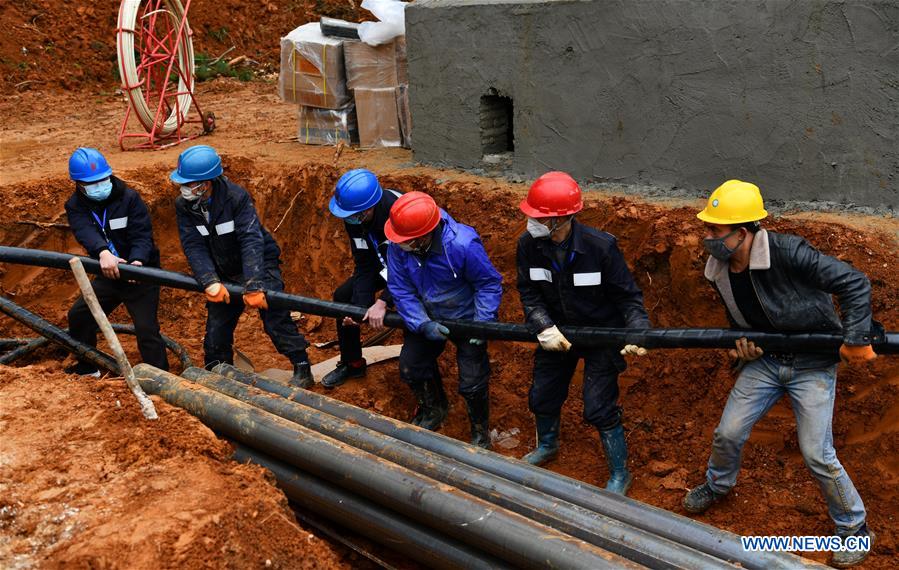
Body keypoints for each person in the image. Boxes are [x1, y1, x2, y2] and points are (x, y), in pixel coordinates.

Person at [683, 179, 876, 568]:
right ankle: (718, 485)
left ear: (743, 232)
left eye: (715, 231)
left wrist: (855, 337)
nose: (707, 238)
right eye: (707, 228)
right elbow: (741, 317)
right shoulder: (718, 268)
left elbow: (855, 282)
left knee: (816, 454)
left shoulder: (790, 252)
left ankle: (854, 527)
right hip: (767, 361)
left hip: (813, 363)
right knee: (729, 432)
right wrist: (743, 345)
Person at [515, 171, 650, 495]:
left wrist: (638, 333)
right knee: (542, 396)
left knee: (598, 406)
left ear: (561, 219)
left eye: (538, 217)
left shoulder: (600, 248)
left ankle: (620, 473)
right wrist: (542, 325)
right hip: (557, 333)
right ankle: (548, 445)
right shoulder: (528, 246)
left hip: (600, 336)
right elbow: (528, 292)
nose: (530, 221)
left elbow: (628, 297)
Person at [171, 145, 312, 387]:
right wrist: (210, 281)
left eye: (190, 183)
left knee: (275, 319)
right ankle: (219, 369)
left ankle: (302, 365)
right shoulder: (184, 206)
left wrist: (255, 285)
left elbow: (250, 240)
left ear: (206, 183)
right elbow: (193, 245)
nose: (184, 189)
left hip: (259, 264)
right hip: (223, 269)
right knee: (217, 328)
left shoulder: (235, 198)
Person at [385, 192, 503, 448]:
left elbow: (488, 284)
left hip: (467, 319)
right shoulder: (399, 246)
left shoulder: (461, 244)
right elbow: (400, 288)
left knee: (472, 382)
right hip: (427, 316)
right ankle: (434, 409)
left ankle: (480, 434)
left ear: (424, 235)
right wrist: (421, 323)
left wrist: (481, 325)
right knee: (411, 366)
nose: (400, 244)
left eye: (406, 241)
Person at [64, 147, 169, 376]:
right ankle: (88, 367)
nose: (99, 186)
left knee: (146, 328)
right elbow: (84, 231)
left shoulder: (129, 198)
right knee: (79, 315)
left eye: (103, 180)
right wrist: (102, 252)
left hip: (140, 274)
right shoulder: (75, 205)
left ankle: (162, 377)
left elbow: (142, 234)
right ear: (79, 185)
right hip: (109, 273)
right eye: (92, 183)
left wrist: (138, 262)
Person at [322, 169, 401, 388]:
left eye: (355, 215)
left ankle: (421, 378)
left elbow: (410, 269)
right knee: (343, 297)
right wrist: (359, 308)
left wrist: (384, 300)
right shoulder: (354, 216)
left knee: (413, 310)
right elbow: (364, 262)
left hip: (416, 271)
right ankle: (353, 363)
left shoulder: (398, 214)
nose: (350, 220)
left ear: (370, 207)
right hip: (382, 265)